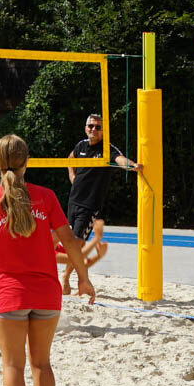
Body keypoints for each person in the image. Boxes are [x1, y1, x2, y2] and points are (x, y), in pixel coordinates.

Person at [0, 134, 96, 386]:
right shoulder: (46, 197)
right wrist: (83, 279)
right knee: (41, 364)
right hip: (46, 293)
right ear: (27, 162)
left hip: (10, 292)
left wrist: (0, 281)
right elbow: (70, 242)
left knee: (13, 365)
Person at [64, 114, 141, 285]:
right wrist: (72, 175)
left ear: (104, 131)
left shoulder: (106, 149)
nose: (93, 129)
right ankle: (80, 277)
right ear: (85, 128)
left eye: (98, 127)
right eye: (90, 126)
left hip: (90, 205)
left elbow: (120, 160)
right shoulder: (81, 145)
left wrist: (133, 166)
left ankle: (67, 279)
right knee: (71, 244)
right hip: (73, 201)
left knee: (77, 244)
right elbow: (70, 158)